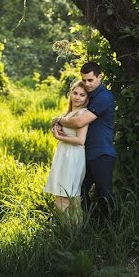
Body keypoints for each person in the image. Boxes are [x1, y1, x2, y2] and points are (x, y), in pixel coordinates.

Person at [55, 61, 117, 218]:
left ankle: (114, 228)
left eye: (90, 80)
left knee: (104, 195)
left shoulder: (104, 97)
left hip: (101, 153)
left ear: (99, 77)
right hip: (87, 155)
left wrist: (59, 120)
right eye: (84, 80)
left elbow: (79, 122)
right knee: (79, 191)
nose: (87, 84)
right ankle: (92, 223)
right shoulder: (89, 96)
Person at [44, 80, 90, 217]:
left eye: (82, 95)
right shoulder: (68, 113)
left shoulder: (83, 113)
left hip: (73, 156)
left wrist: (59, 137)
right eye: (75, 93)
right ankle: (63, 228)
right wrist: (57, 128)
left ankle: (73, 230)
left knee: (67, 195)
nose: (77, 97)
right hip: (63, 154)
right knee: (59, 194)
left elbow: (80, 140)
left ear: (87, 98)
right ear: (70, 93)